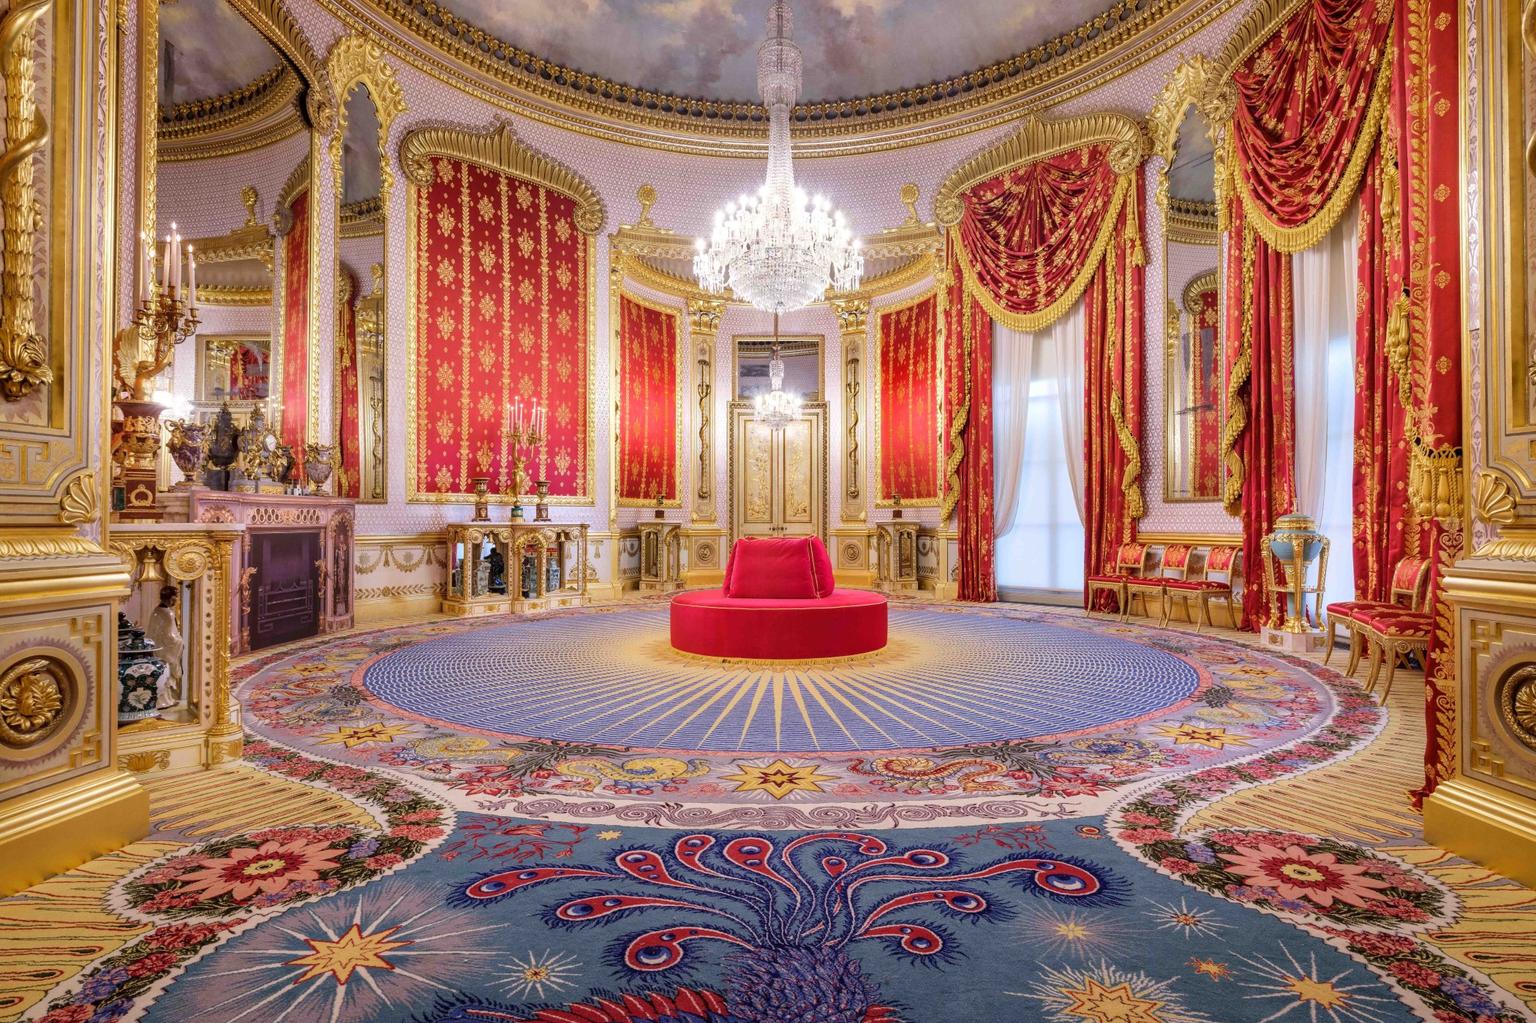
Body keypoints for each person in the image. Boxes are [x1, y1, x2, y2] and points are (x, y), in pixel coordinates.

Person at [144, 584, 183, 709]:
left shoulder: (156, 610)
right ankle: (164, 701)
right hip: (165, 650)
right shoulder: (168, 614)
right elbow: (170, 636)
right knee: (166, 674)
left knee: (161, 674)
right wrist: (180, 641)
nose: (177, 600)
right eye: (176, 597)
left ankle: (166, 699)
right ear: (171, 598)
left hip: (155, 647)